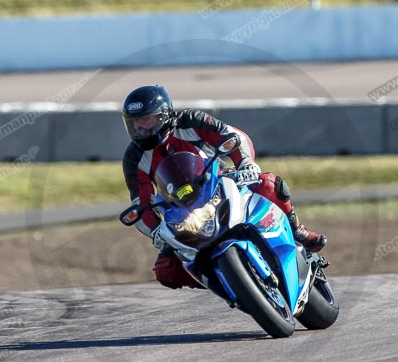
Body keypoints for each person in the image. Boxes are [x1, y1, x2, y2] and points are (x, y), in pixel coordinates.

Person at [121, 84, 327, 290]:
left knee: (268, 185)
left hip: (219, 184)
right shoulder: (134, 157)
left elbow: (234, 137)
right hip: (181, 210)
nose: (140, 128)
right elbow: (141, 201)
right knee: (166, 270)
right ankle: (226, 282)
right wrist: (156, 230)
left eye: (146, 120)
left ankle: (298, 231)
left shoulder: (190, 121)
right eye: (135, 123)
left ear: (164, 115)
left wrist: (246, 165)